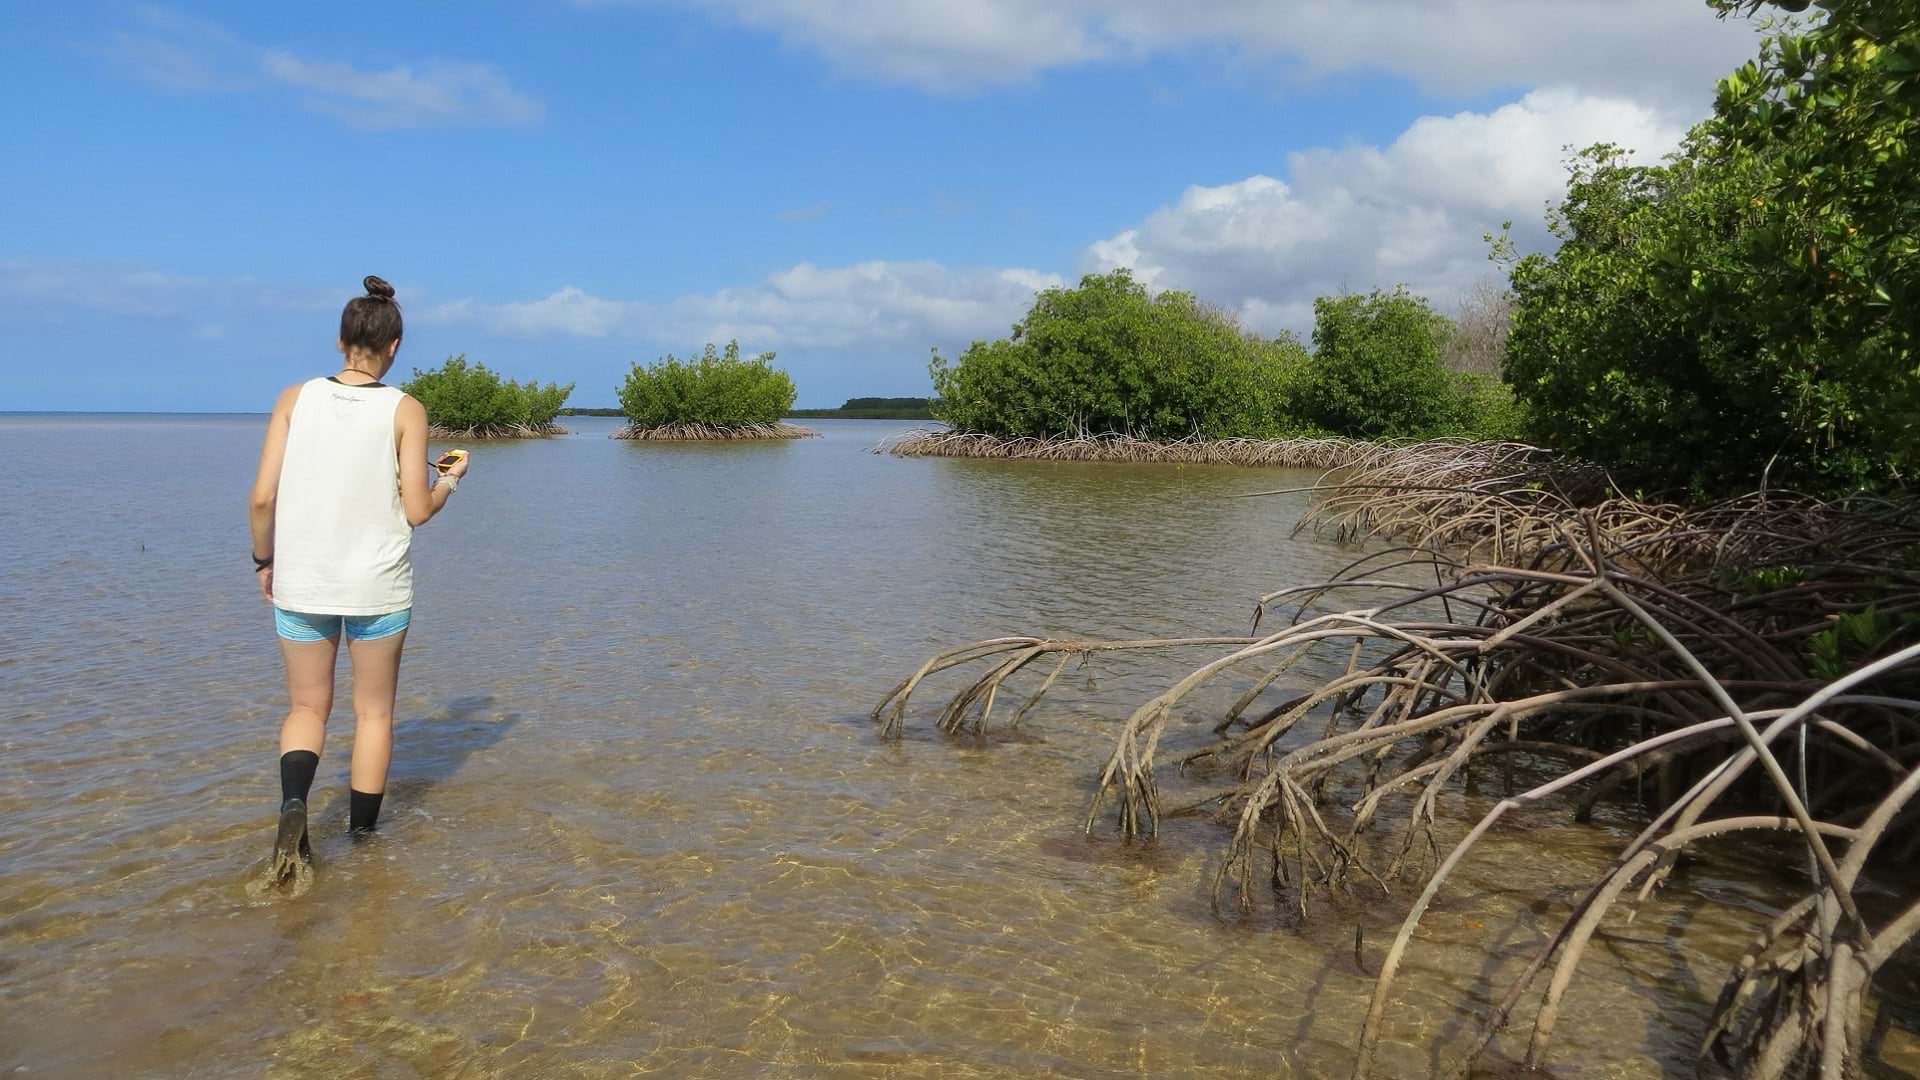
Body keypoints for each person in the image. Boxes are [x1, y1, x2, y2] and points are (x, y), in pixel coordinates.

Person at [246, 275, 468, 880]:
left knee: (305, 707)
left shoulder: (294, 399)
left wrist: (265, 562)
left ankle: (294, 806)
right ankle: (364, 847)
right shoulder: (405, 409)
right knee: (373, 715)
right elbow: (417, 510)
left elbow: (262, 498)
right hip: (377, 587)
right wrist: (450, 479)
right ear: (394, 346)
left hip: (303, 581)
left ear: (340, 340)